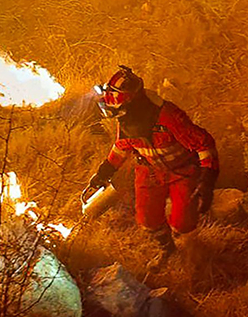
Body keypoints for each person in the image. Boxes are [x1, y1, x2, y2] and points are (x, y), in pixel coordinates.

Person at [85, 65, 218, 268]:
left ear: (133, 103)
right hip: (149, 172)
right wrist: (104, 172)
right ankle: (167, 250)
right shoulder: (128, 120)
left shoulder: (169, 117)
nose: (117, 116)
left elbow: (204, 144)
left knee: (183, 222)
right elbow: (121, 148)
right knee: (147, 218)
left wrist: (207, 181)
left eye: (118, 110)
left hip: (181, 170)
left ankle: (191, 253)